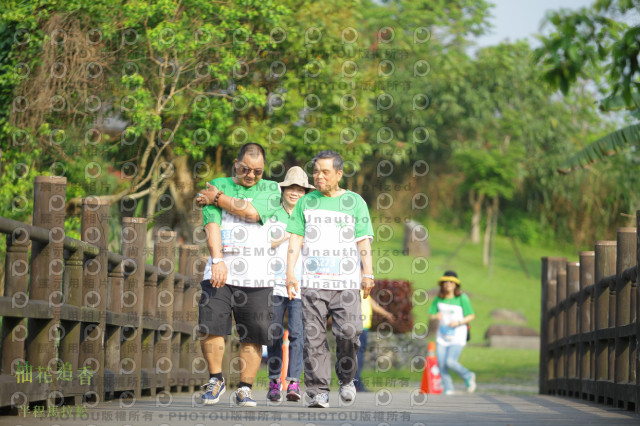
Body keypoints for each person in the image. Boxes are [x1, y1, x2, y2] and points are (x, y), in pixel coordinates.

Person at [285, 150, 375, 408]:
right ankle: (319, 390)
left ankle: (346, 379)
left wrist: (367, 273)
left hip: (346, 283)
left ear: (339, 173)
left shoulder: (355, 202)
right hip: (313, 282)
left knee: (349, 332)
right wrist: (290, 272)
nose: (319, 176)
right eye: (316, 171)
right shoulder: (306, 202)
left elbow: (363, 240)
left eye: (325, 172)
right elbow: (295, 238)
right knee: (313, 338)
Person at [195, 142, 281, 407]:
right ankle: (216, 379)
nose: (252, 175)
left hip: (258, 276)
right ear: (236, 163)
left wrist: (218, 199)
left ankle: (245, 388)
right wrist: (218, 260)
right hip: (220, 271)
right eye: (246, 169)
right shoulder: (218, 183)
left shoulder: (271, 189)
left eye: (258, 171)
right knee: (211, 326)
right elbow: (212, 224)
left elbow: (252, 213)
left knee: (253, 334)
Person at [265, 166, 314, 402]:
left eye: (300, 189)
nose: (295, 193)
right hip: (273, 282)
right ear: (284, 189)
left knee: (297, 333)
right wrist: (290, 233)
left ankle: (294, 382)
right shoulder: (272, 212)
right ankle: (275, 381)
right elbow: (264, 243)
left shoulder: (310, 215)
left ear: (306, 192)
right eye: (291, 188)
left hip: (300, 284)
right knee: (273, 333)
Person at [428, 270, 476, 395]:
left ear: (456, 284)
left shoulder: (462, 298)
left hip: (458, 335)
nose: (448, 284)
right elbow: (431, 315)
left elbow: (471, 315)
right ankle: (448, 388)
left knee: (450, 361)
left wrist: (459, 322)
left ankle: (468, 375)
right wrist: (435, 316)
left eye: (451, 282)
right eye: (446, 282)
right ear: (442, 284)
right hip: (443, 336)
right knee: (441, 363)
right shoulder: (439, 298)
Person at [354, 291, 394, 392]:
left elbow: (373, 304)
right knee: (357, 356)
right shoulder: (355, 290)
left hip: (364, 328)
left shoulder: (363, 292)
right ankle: (356, 383)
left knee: (359, 356)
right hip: (356, 327)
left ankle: (355, 382)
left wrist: (386, 314)